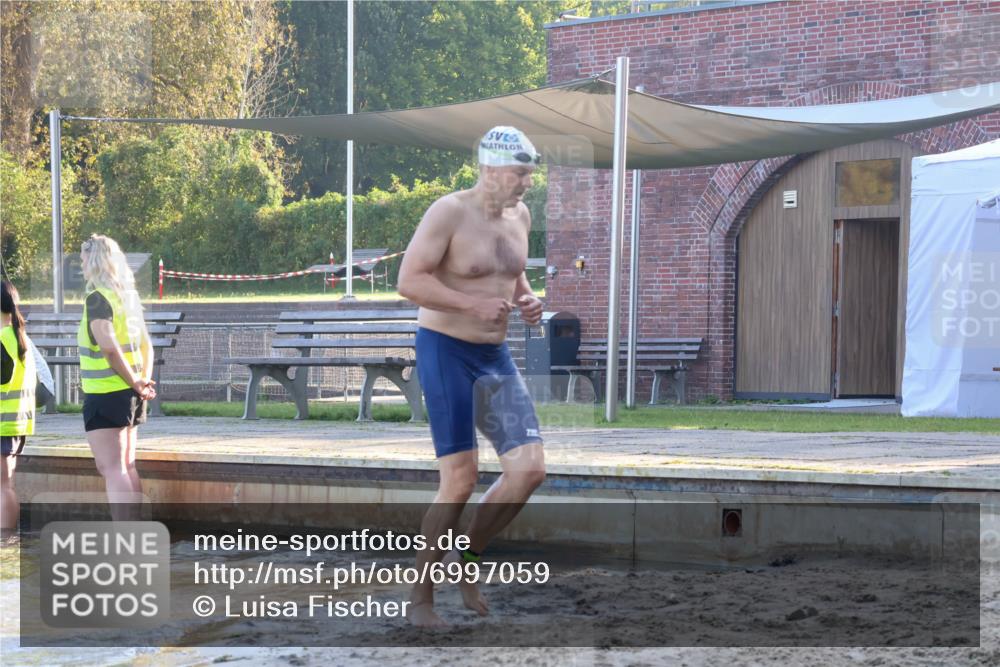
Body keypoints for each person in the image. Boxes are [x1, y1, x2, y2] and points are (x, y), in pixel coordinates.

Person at [398, 126, 546, 627]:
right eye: (520, 173)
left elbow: (510, 272)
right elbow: (409, 280)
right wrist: (470, 304)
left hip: (494, 355)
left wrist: (528, 298)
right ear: (489, 167)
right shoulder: (449, 211)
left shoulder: (521, 214)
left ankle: (471, 555)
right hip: (445, 351)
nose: (528, 183)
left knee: (528, 471)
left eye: (530, 173)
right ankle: (421, 597)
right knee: (459, 482)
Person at [77, 235, 156, 519]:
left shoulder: (98, 299)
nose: (82, 265)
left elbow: (108, 347)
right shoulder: (128, 298)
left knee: (111, 468)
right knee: (127, 465)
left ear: (95, 261)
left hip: (107, 392)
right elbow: (147, 345)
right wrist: (142, 383)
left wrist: (136, 383)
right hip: (131, 392)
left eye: (84, 260)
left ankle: (124, 535)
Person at [1, 280, 35, 535]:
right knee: (6, 485)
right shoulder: (18, 335)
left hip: (2, 423)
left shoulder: (2, 338)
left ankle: (4, 542)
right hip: (16, 422)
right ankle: (8, 541)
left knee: (3, 487)